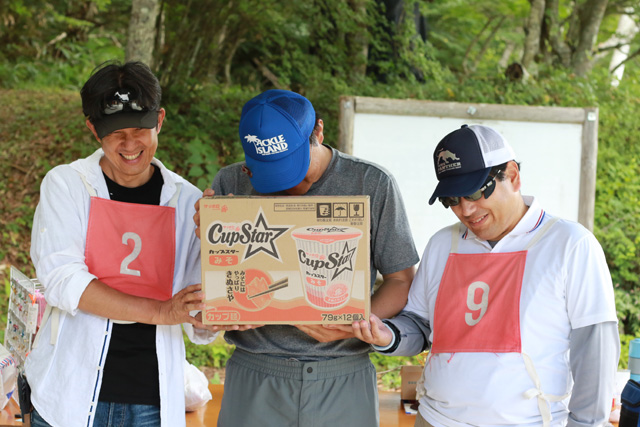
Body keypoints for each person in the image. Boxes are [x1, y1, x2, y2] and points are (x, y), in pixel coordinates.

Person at [343, 124, 620, 427]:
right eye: (452, 199)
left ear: (512, 175)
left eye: (475, 191)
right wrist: (388, 335)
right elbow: (420, 325)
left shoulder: (570, 244)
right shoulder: (442, 244)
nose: (466, 209)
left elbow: (595, 350)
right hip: (435, 419)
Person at [194, 89, 419, 426]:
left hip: (342, 377)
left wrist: (353, 327)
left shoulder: (371, 183)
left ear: (319, 132)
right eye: (269, 172)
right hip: (255, 373)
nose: (287, 184)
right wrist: (211, 239)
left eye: (294, 166)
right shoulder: (232, 181)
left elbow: (401, 280)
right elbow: (219, 287)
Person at [25, 61, 218, 427]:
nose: (130, 145)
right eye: (116, 133)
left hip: (153, 405)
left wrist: (222, 253)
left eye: (140, 129)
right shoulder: (67, 186)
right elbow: (63, 280)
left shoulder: (187, 202)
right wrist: (161, 312)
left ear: (159, 120)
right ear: (93, 129)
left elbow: (200, 320)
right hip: (69, 397)